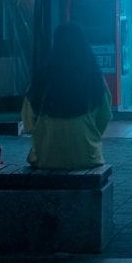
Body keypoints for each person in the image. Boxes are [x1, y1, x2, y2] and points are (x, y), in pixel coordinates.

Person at [22, 22, 112, 170]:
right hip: (88, 156)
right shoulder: (94, 79)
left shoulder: (40, 80)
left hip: (45, 158)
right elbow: (103, 118)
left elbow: (29, 124)